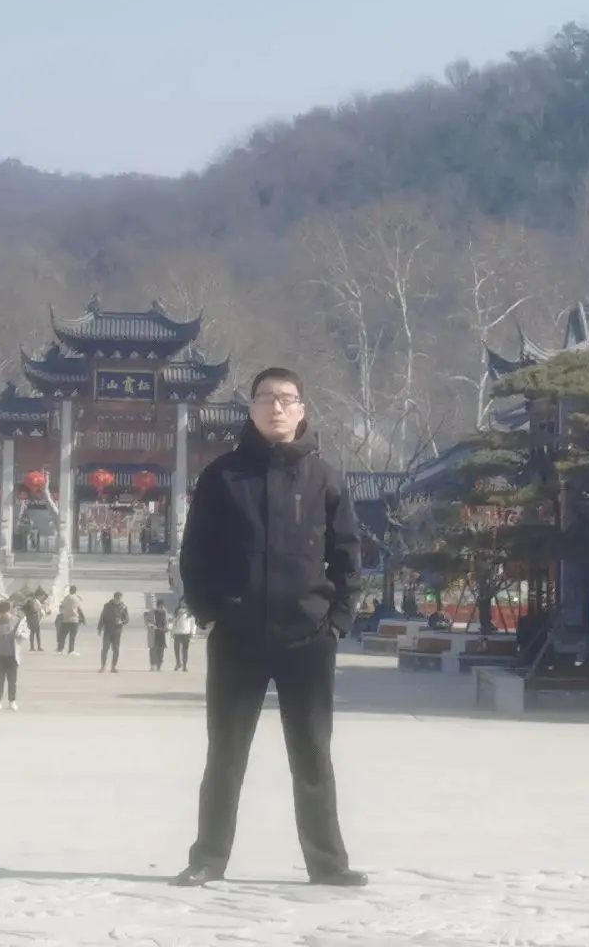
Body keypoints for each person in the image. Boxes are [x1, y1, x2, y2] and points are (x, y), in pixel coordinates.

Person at [175, 367, 366, 889]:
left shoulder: (325, 477)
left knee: (312, 756)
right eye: (266, 398)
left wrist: (337, 621)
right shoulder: (223, 476)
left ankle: (328, 863)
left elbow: (348, 556)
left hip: (308, 638)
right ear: (252, 408)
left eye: (286, 398)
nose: (276, 407)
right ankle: (208, 858)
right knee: (226, 755)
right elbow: (196, 554)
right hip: (238, 637)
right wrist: (210, 612)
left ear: (302, 409)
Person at [0, 599, 31, 711]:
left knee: (12, 681)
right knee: (0, 679)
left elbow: (27, 633)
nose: (3, 616)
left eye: (5, 614)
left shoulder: (19, 622)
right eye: (1, 614)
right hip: (0, 655)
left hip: (13, 655)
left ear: (10, 611)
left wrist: (20, 636)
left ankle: (12, 701)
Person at [97, 590, 129, 672]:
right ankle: (103, 666)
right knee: (105, 649)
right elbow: (102, 617)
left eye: (119, 598)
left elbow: (127, 619)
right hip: (107, 631)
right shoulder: (107, 606)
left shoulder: (124, 607)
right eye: (116, 598)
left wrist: (122, 622)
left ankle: (113, 667)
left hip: (117, 631)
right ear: (114, 598)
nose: (118, 600)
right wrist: (99, 628)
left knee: (116, 650)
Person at [55, 587, 85, 654]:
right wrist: (83, 619)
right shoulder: (77, 598)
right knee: (72, 636)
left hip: (65, 619)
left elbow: (61, 607)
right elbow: (79, 609)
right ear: (75, 591)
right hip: (74, 620)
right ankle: (71, 650)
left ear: (69, 590)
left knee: (63, 635)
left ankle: (60, 649)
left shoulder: (66, 598)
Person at [170, 602, 197, 672]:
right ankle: (178, 663)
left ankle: (184, 665)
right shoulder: (177, 612)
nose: (183, 603)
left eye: (185, 602)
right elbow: (174, 623)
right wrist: (172, 632)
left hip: (186, 633)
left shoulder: (190, 613)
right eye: (182, 602)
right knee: (176, 650)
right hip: (177, 633)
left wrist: (193, 633)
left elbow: (193, 624)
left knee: (185, 650)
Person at [147, 598, 170, 671]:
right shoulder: (151, 612)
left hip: (162, 634)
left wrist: (167, 628)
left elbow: (168, 623)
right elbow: (147, 622)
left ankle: (159, 665)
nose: (161, 608)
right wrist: (152, 626)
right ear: (157, 606)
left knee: (161, 650)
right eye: (159, 606)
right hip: (154, 634)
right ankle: (153, 665)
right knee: (153, 650)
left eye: (162, 606)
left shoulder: (165, 613)